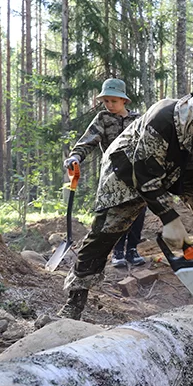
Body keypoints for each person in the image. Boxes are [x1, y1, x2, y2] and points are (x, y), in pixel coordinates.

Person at [57, 93, 193, 320]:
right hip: (131, 165)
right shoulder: (165, 119)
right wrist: (169, 218)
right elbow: (145, 174)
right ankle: (75, 300)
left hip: (187, 172)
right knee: (107, 230)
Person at [63, 78, 146, 268]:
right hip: (113, 175)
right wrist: (75, 156)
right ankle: (117, 252)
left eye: (113, 101)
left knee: (138, 210)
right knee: (115, 212)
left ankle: (132, 250)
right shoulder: (103, 118)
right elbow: (88, 140)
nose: (109, 105)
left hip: (136, 174)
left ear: (124, 101)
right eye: (106, 101)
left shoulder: (138, 120)